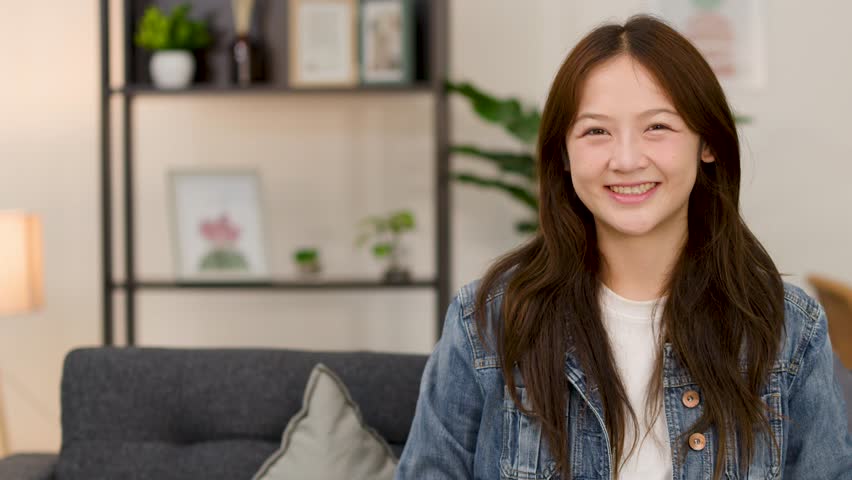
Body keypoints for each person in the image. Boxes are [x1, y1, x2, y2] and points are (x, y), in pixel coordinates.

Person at [395, 14, 852, 480]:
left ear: (707, 144)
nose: (628, 159)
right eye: (596, 131)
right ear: (564, 154)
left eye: (657, 127)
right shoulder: (488, 321)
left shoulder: (788, 329)